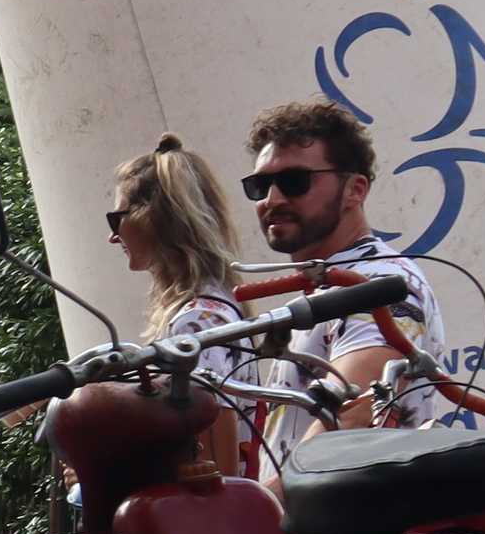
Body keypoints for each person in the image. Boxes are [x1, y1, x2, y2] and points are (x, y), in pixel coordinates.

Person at [242, 97, 451, 432]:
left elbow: (352, 418)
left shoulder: (376, 281)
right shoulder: (331, 285)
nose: (273, 199)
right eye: (260, 186)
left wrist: (278, 478)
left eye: (295, 181)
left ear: (355, 189)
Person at [108, 132, 262, 473]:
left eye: (116, 219)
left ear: (152, 219)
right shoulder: (211, 306)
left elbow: (211, 471)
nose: (112, 236)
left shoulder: (197, 322)